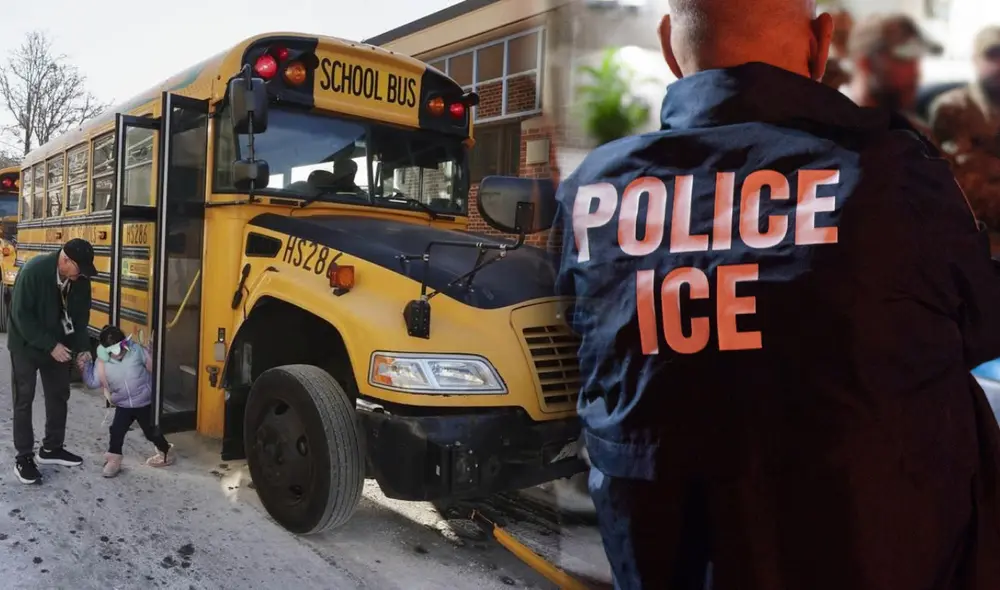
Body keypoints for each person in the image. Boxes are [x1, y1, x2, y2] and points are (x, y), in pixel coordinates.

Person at [551, 0, 1000, 588]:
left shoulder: (589, 192)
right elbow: (982, 327)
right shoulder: (898, 175)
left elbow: (583, 331)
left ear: (669, 47)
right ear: (819, 44)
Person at [9, 238, 95, 485]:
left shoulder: (81, 281)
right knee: (24, 399)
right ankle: (24, 457)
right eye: (80, 268)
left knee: (59, 394)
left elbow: (79, 319)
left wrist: (82, 350)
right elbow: (21, 316)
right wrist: (50, 346)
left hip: (60, 344)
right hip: (26, 344)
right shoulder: (34, 271)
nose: (83, 275)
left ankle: (51, 449)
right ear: (65, 260)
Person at [929, 25, 1000, 241]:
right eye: (992, 56)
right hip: (975, 237)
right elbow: (952, 186)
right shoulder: (953, 109)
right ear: (975, 60)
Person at [78, 324, 173, 477]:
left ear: (125, 343)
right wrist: (85, 366)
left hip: (144, 402)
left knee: (151, 432)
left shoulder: (136, 350)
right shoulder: (101, 363)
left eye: (121, 346)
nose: (118, 353)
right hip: (123, 405)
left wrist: (152, 351)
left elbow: (154, 367)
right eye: (112, 350)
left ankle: (165, 451)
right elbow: (92, 382)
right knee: (116, 431)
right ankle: (114, 461)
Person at [844, 13, 942, 139]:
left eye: (916, 60)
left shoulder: (917, 135)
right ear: (865, 64)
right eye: (903, 60)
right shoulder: (829, 132)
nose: (915, 73)